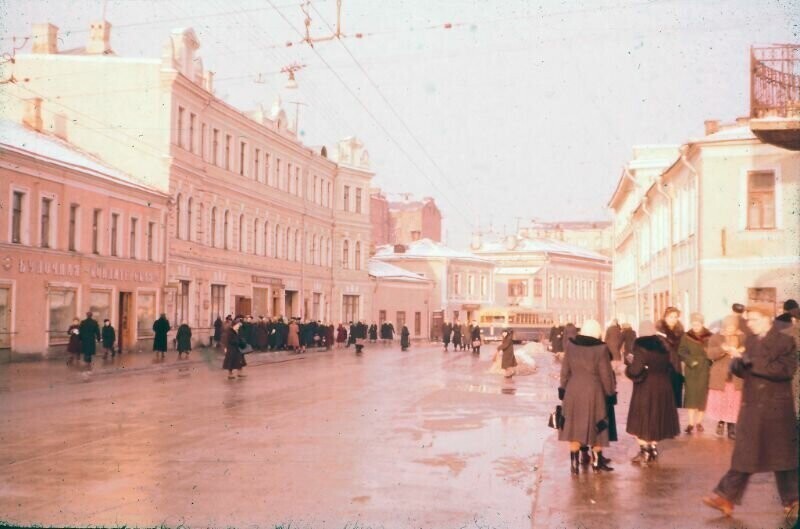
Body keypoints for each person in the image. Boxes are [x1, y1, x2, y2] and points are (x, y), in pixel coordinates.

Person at [702, 303, 798, 518]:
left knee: (782, 456)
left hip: (776, 408)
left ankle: (792, 500)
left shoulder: (785, 341)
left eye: (754, 320)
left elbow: (785, 370)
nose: (750, 324)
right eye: (748, 320)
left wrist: (750, 361)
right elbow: (743, 370)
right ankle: (726, 497)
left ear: (768, 319)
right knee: (746, 452)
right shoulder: (752, 340)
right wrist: (737, 362)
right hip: (752, 405)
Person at [558, 319, 616, 474]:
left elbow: (564, 371)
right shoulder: (601, 348)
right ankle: (596, 463)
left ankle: (574, 466)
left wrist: (563, 389)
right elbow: (606, 375)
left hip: (573, 390)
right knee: (598, 425)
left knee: (574, 428)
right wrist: (610, 393)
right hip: (594, 391)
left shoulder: (571, 345)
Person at [625, 321, 680, 464]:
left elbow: (636, 370)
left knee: (642, 420)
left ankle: (644, 452)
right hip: (663, 385)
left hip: (646, 386)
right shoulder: (664, 345)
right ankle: (654, 449)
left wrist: (629, 365)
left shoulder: (640, 345)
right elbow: (672, 365)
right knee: (657, 417)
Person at [706, 315, 744, 439]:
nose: (730, 330)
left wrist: (740, 352)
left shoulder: (743, 337)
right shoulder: (716, 337)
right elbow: (710, 354)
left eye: (732, 327)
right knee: (722, 401)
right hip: (721, 375)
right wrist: (722, 349)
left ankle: (732, 428)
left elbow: (749, 352)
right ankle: (721, 422)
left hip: (736, 375)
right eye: (728, 327)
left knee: (733, 402)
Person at [678, 313, 712, 433]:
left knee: (702, 397)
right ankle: (691, 423)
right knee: (691, 396)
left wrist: (708, 359)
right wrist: (690, 361)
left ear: (702, 324)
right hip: (691, 369)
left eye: (698, 324)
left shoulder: (710, 336)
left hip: (704, 368)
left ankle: (699, 422)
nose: (695, 326)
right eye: (693, 324)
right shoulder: (686, 336)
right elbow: (681, 351)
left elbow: (713, 351)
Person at [656, 307, 685, 408]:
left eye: (675, 317)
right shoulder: (659, 332)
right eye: (670, 317)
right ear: (665, 317)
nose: (673, 319)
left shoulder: (681, 333)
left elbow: (684, 350)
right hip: (663, 366)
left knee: (675, 395)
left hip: (676, 366)